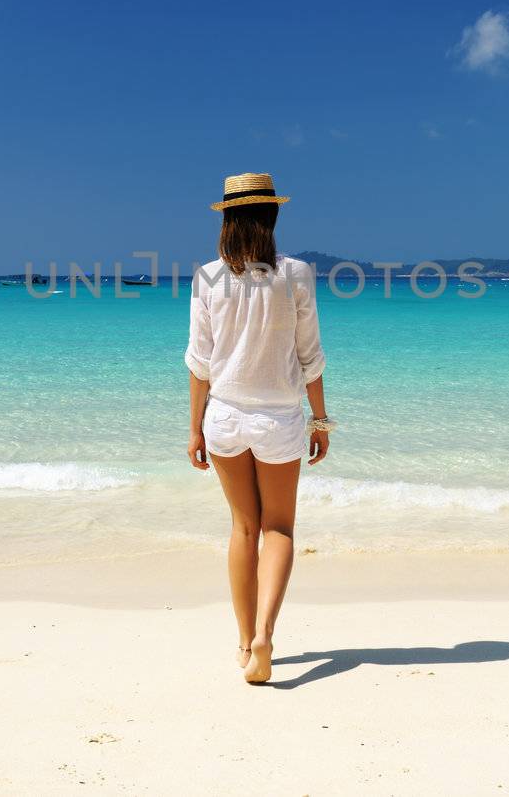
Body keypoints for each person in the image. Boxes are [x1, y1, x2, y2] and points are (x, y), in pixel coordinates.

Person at [184, 172, 332, 685]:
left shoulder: (206, 277)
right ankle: (267, 634)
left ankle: (245, 641)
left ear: (226, 218)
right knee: (279, 529)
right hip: (279, 418)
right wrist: (321, 419)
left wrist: (194, 430)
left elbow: (199, 363)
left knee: (243, 528)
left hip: (223, 416)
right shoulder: (296, 274)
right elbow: (309, 356)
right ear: (272, 215)